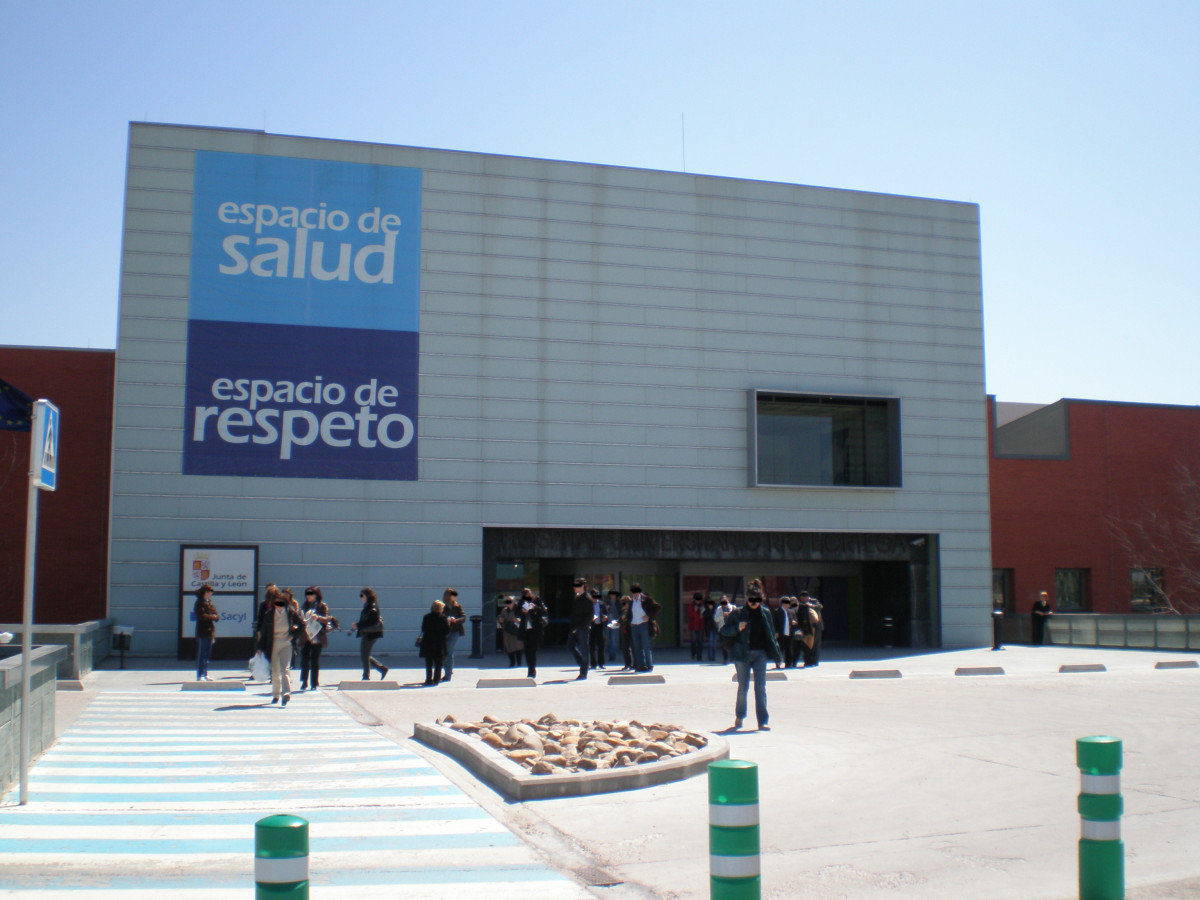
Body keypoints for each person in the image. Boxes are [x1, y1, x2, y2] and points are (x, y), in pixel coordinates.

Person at [720, 589, 782, 730]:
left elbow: (771, 634)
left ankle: (763, 721)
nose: (754, 603)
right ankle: (740, 717)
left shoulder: (765, 613)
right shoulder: (738, 613)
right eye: (751, 600)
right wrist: (737, 627)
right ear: (747, 599)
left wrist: (777, 655)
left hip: (760, 654)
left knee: (760, 688)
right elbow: (724, 631)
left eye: (757, 600)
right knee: (743, 687)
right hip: (742, 654)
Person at [256, 584, 303, 706]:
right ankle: (276, 694)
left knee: (285, 669)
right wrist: (260, 648)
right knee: (275, 671)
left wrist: (294, 635)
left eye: (281, 603)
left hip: (286, 643)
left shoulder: (290, 613)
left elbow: (302, 625)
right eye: (277, 603)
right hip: (273, 644)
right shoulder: (269, 614)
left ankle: (286, 693)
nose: (279, 606)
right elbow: (264, 632)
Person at [299, 586, 335, 690]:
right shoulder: (305, 605)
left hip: (318, 636)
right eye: (307, 594)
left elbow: (327, 618)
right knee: (304, 660)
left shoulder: (321, 606)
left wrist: (318, 617)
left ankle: (314, 683)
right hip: (306, 636)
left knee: (315, 660)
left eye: (311, 594)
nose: (308, 596)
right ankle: (304, 681)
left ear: (316, 595)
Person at [350, 588, 389, 681]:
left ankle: (366, 675)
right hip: (368, 633)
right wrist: (358, 625)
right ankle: (381, 668)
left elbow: (370, 622)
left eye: (362, 596)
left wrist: (358, 625)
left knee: (365, 655)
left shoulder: (372, 607)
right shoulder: (368, 605)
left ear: (367, 596)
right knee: (365, 655)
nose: (361, 598)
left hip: (370, 633)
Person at [628, 583, 660, 672]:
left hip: (644, 624)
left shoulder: (646, 599)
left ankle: (649, 665)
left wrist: (649, 616)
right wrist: (629, 622)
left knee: (646, 646)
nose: (634, 594)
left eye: (636, 592)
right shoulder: (631, 602)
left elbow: (657, 608)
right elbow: (629, 613)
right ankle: (640, 665)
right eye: (633, 592)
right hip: (634, 625)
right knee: (637, 647)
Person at [419, 599, 450, 685]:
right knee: (438, 663)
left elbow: (423, 629)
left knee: (429, 663)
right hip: (439, 643)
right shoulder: (443, 618)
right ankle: (436, 679)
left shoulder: (426, 617)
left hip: (428, 642)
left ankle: (428, 679)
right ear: (441, 608)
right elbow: (447, 631)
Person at [517, 589, 547, 679]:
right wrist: (522, 611)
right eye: (525, 596)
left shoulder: (537, 600)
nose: (527, 597)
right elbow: (516, 612)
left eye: (528, 595)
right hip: (525, 630)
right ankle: (530, 668)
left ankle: (532, 670)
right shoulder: (521, 602)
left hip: (534, 630)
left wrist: (534, 608)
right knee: (527, 651)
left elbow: (543, 611)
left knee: (533, 650)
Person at [567, 578, 592, 680]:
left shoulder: (587, 598)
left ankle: (583, 672)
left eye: (577, 585)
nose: (575, 588)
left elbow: (589, 616)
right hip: (574, 627)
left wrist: (580, 626)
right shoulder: (577, 597)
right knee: (570, 646)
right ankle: (583, 663)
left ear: (582, 586)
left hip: (582, 628)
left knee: (584, 649)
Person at [193, 584, 219, 682]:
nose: (211, 593)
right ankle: (199, 675)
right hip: (202, 631)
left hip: (210, 631)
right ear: (205, 592)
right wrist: (212, 616)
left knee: (207, 654)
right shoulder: (199, 603)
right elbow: (202, 616)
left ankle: (205, 673)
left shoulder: (210, 602)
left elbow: (216, 614)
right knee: (202, 653)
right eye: (209, 591)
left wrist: (215, 616)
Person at [441, 589, 465, 683]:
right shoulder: (442, 606)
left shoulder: (458, 606)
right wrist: (446, 619)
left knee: (450, 651)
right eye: (454, 595)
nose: (456, 597)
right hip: (444, 631)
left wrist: (456, 620)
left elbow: (463, 617)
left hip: (455, 630)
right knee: (443, 652)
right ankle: (447, 669)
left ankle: (448, 674)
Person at [498, 597, 524, 667]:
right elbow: (502, 619)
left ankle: (519, 663)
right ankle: (512, 663)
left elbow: (524, 618)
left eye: (511, 601)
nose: (509, 602)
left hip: (517, 630)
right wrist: (501, 620)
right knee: (510, 647)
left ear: (514, 602)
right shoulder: (504, 610)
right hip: (508, 631)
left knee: (518, 646)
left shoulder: (518, 609)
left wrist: (519, 620)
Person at [588, 589, 608, 670]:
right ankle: (593, 663)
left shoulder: (602, 604)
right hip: (591, 626)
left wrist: (605, 617)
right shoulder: (588, 604)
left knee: (601, 645)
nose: (595, 599)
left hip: (600, 625)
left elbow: (605, 613)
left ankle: (601, 663)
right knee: (591, 645)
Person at [714, 595, 733, 663]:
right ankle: (725, 658)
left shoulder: (732, 607)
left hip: (730, 628)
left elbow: (736, 616)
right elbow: (716, 619)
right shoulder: (719, 609)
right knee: (723, 644)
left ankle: (732, 657)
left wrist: (729, 614)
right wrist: (722, 615)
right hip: (722, 628)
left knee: (731, 643)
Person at [687, 593, 705, 661]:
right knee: (693, 641)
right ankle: (693, 653)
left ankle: (699, 656)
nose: (698, 602)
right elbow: (689, 615)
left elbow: (705, 614)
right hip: (693, 626)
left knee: (700, 641)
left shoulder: (702, 606)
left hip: (700, 625)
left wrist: (702, 616)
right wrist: (694, 611)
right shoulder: (691, 606)